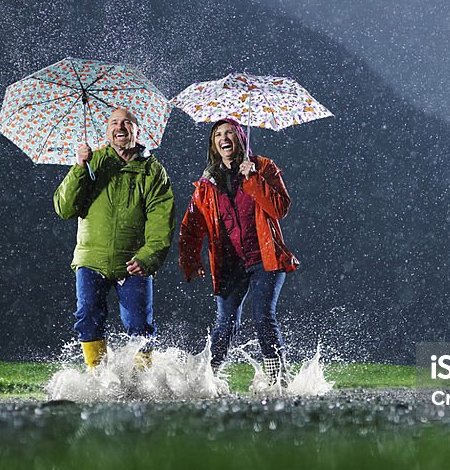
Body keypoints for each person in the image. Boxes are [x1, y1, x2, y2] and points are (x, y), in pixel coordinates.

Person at [179, 118, 299, 384]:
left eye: (230, 132)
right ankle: (209, 380)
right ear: (214, 144)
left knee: (262, 317)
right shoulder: (207, 184)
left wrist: (253, 178)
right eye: (219, 134)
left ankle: (276, 378)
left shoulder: (263, 167)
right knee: (225, 324)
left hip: (265, 260)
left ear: (241, 138)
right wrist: (190, 260)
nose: (224, 137)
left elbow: (280, 208)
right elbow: (191, 226)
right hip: (230, 265)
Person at [53, 106, 175, 368]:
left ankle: (143, 385)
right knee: (87, 318)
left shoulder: (153, 171)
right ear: (106, 131)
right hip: (91, 259)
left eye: (126, 123)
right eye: (113, 123)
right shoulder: (93, 161)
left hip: (133, 263)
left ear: (137, 131)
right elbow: (64, 208)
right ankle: (98, 380)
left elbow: (161, 221)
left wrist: (147, 257)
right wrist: (79, 167)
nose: (119, 127)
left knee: (140, 326)